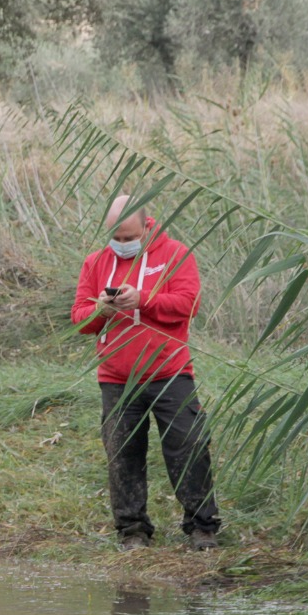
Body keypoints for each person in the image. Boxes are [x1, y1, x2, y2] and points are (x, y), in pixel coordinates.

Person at [72, 195, 221, 550]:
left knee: (189, 445)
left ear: (147, 224)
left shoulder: (175, 255)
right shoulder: (95, 262)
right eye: (116, 238)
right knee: (122, 453)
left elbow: (188, 304)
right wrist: (101, 311)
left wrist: (144, 300)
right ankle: (132, 531)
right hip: (116, 377)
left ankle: (203, 527)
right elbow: (79, 317)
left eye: (129, 237)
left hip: (170, 372)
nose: (122, 245)